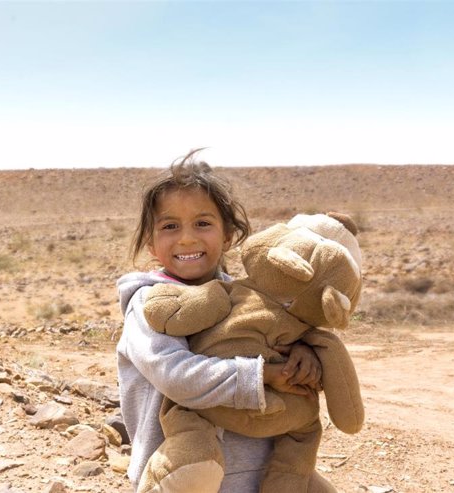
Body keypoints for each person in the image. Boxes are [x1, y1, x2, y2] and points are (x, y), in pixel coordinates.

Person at [116, 149, 322, 492]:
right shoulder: (150, 303)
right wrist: (265, 375)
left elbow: (279, 337)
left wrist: (305, 353)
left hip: (255, 478)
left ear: (228, 235)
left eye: (203, 223)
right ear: (151, 243)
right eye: (170, 226)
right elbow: (175, 376)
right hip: (179, 479)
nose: (186, 237)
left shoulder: (248, 299)